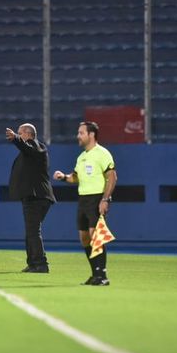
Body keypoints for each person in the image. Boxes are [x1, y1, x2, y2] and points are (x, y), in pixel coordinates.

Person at [53, 121, 117, 286]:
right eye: (78, 133)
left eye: (81, 133)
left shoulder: (103, 153)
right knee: (84, 238)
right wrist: (64, 177)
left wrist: (105, 199)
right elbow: (76, 177)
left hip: (96, 198)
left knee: (95, 235)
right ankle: (94, 274)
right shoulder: (81, 157)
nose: (78, 136)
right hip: (83, 199)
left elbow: (112, 177)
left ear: (91, 135)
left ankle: (102, 275)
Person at [6, 123, 56, 273]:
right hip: (33, 196)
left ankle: (41, 264)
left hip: (36, 197)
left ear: (28, 135)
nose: (18, 135)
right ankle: (33, 263)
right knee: (31, 230)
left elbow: (26, 147)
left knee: (33, 231)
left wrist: (15, 138)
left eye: (20, 133)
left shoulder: (36, 146)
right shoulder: (29, 152)